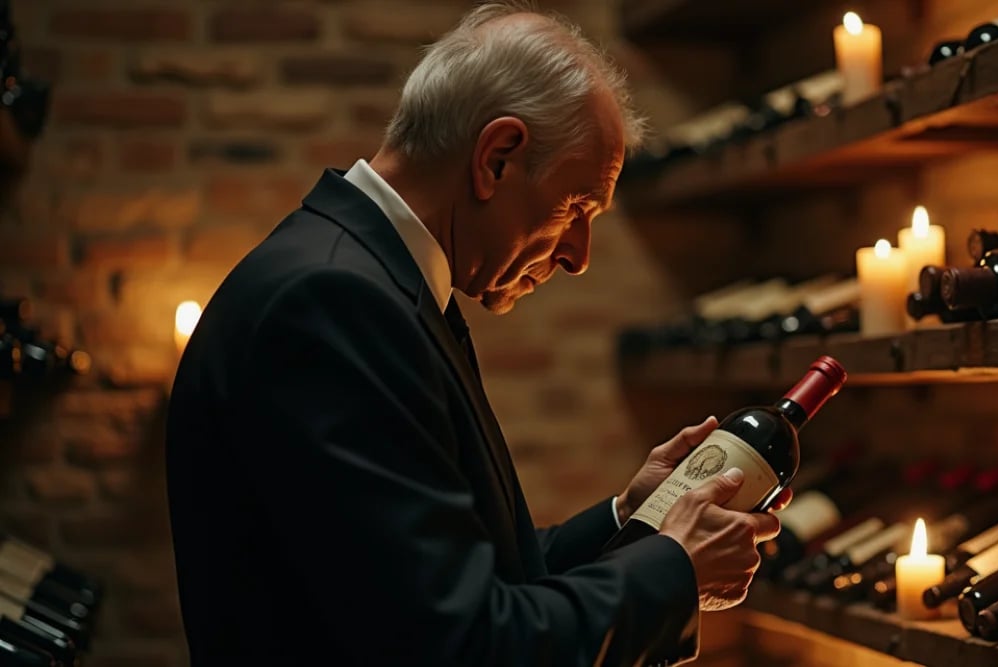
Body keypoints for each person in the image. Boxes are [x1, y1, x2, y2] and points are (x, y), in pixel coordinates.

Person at [164, 3, 788, 665]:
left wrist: (632, 520)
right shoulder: (332, 304)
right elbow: (459, 643)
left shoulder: (369, 279)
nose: (578, 255)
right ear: (497, 157)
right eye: (577, 206)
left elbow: (457, 579)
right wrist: (674, 568)